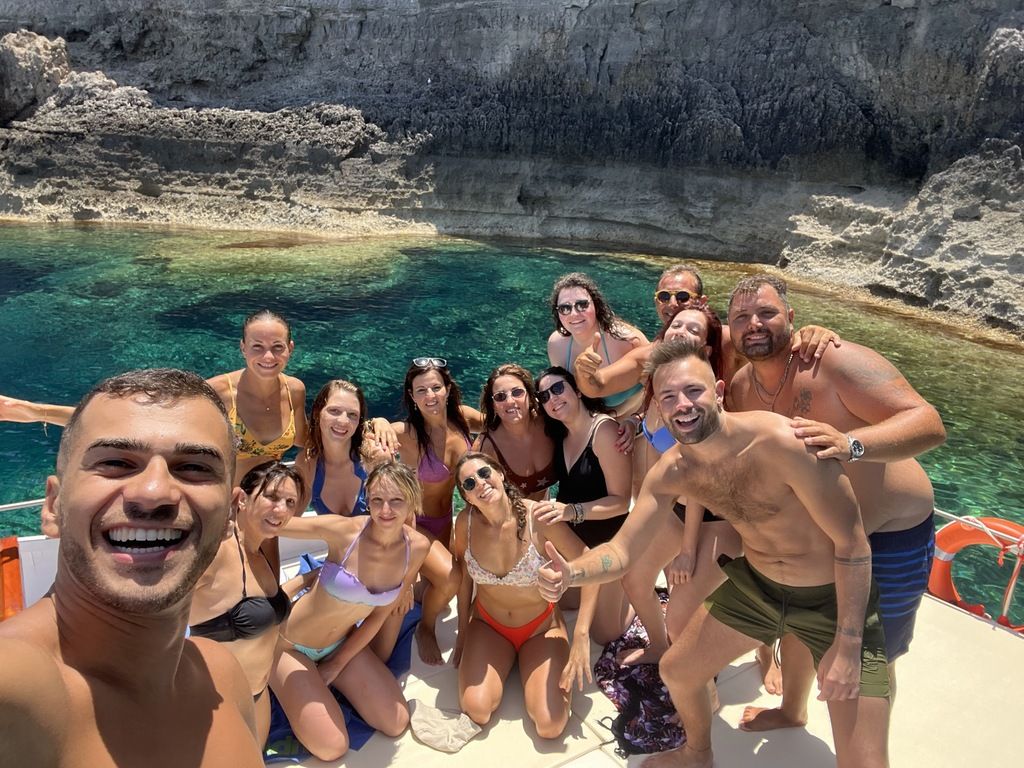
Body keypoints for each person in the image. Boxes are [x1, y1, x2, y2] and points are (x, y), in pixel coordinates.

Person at [539, 338, 892, 768]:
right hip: (759, 588)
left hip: (832, 601)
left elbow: (853, 544)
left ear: (720, 391)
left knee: (866, 763)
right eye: (668, 397)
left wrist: (849, 643)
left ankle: (807, 696)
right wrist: (571, 574)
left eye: (693, 391)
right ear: (660, 409)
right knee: (678, 670)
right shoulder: (675, 469)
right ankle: (697, 754)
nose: (682, 405)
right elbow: (622, 551)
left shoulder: (784, 442)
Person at [0, 368, 264, 766]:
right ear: (53, 506)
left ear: (230, 514)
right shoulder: (14, 689)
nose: (154, 492)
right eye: (116, 462)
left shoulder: (222, 676)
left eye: (194, 467)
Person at [726, 274, 945, 731]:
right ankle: (792, 710)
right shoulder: (741, 391)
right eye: (742, 317)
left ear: (790, 317)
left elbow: (928, 422)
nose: (754, 324)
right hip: (822, 535)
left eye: (766, 313)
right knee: (800, 627)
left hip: (890, 534)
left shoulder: (833, 362)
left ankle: (868, 745)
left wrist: (852, 444)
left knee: (874, 653)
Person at [580, 305, 742, 666]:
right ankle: (658, 646)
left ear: (708, 348)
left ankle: (712, 680)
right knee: (635, 578)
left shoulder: (698, 402)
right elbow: (659, 463)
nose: (681, 330)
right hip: (677, 510)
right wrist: (631, 422)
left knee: (682, 610)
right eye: (676, 324)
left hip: (714, 515)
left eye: (693, 329)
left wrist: (685, 550)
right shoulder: (658, 389)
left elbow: (697, 479)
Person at [0, 308, 310, 484]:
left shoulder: (294, 389)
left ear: (290, 349)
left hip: (269, 504)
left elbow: (306, 442)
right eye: (257, 346)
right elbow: (136, 417)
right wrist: (34, 410)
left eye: (277, 347)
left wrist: (355, 435)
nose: (267, 356)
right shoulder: (217, 392)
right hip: (224, 501)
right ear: (243, 348)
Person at [269, 461, 430, 761]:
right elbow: (277, 523)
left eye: (396, 501)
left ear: (412, 501)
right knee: (333, 747)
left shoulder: (417, 548)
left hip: (340, 644)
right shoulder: (344, 531)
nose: (385, 511)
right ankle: (282, 676)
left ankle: (319, 683)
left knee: (395, 722)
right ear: (366, 499)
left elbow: (379, 616)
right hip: (290, 646)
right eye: (377, 500)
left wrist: (336, 664)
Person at [451, 452, 597, 737]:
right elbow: (465, 576)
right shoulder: (464, 524)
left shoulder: (537, 518)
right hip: (488, 626)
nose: (479, 484)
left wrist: (581, 634)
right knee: (476, 710)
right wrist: (461, 633)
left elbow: (588, 561)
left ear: (501, 475)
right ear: (466, 497)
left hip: (540, 629)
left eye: (484, 474)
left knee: (551, 725)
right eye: (468, 484)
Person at [189, 461, 315, 747]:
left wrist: (308, 579)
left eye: (290, 502)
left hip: (258, 696)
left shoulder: (259, 551)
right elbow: (153, 613)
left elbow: (264, 605)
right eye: (271, 496)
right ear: (242, 499)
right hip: (216, 705)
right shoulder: (215, 554)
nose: (280, 509)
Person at [532, 366, 633, 644]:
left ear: (577, 390)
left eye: (558, 388)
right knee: (564, 604)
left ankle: (632, 587)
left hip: (607, 541)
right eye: (543, 396)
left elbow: (622, 502)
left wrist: (570, 510)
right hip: (574, 542)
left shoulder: (604, 431)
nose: (552, 398)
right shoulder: (560, 436)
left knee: (604, 634)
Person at [391, 357, 483, 545]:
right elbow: (363, 435)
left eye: (436, 388)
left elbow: (502, 423)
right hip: (416, 524)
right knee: (453, 576)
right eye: (421, 390)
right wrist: (379, 422)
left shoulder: (462, 418)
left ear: (447, 389)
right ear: (412, 395)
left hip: (448, 520)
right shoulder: (407, 433)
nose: (430, 396)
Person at [546, 272, 649, 416]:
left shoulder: (628, 340)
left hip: (633, 423)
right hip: (592, 424)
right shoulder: (556, 345)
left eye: (582, 305)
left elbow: (657, 388)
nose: (574, 314)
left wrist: (633, 420)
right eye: (565, 308)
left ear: (597, 305)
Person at [473, 364, 559, 500]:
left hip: (547, 514)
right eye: (500, 397)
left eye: (517, 392)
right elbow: (477, 498)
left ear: (530, 396)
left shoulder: (551, 422)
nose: (510, 401)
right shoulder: (486, 447)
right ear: (493, 406)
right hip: (509, 518)